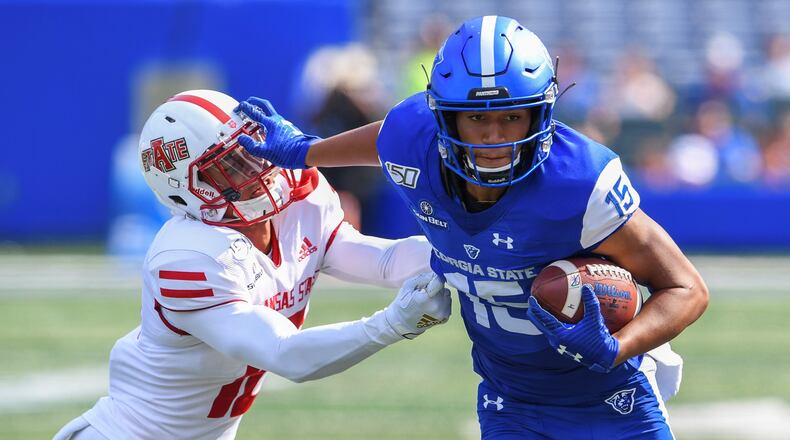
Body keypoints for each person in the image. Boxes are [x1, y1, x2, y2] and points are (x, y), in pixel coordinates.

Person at [237, 16, 709, 439]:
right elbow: (386, 140)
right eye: (476, 118)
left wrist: (613, 348)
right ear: (442, 118)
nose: (495, 136)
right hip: (510, 402)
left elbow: (686, 287)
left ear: (541, 113)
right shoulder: (412, 137)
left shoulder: (579, 183)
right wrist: (306, 151)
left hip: (610, 399)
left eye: (512, 115)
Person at [53, 90, 451, 440]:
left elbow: (382, 261)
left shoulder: (300, 197)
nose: (258, 169)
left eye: (249, 149)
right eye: (230, 167)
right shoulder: (189, 256)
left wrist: (467, 255)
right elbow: (286, 354)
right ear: (185, 191)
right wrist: (393, 324)